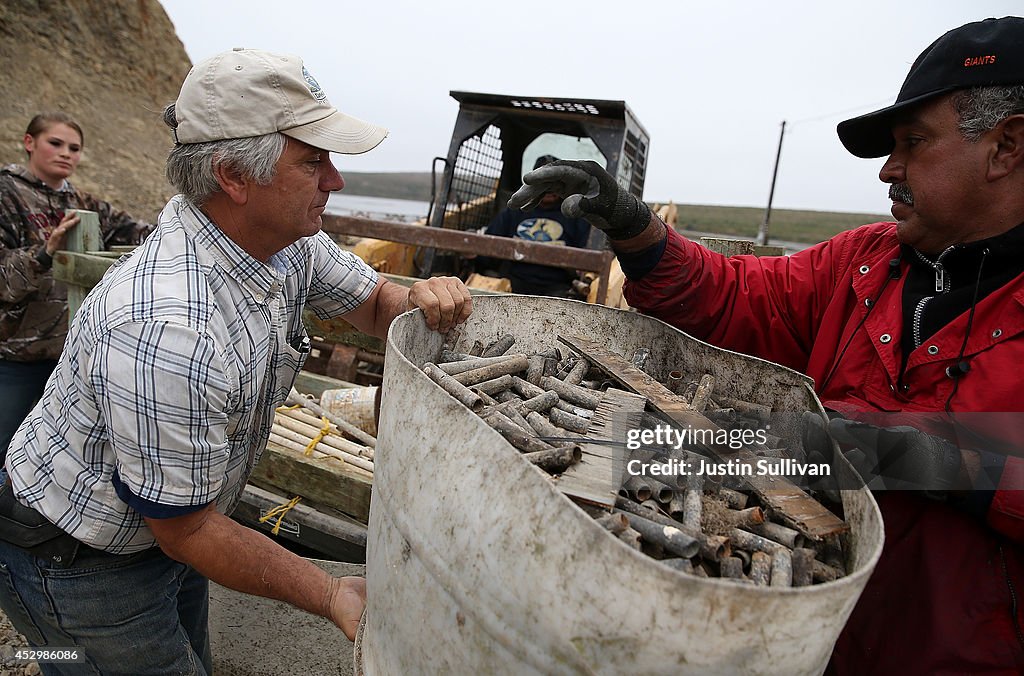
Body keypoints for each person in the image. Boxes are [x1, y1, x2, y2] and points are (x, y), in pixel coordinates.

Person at [510, 17, 1024, 674]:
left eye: (914, 143)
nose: (888, 170)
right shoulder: (863, 263)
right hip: (812, 638)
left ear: (1007, 146)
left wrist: (915, 455)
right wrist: (634, 228)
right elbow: (730, 294)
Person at [0, 48, 472, 674]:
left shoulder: (283, 245)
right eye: (312, 161)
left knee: (194, 655)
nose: (335, 181)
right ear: (233, 176)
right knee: (79, 657)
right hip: (78, 562)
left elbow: (376, 303)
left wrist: (420, 299)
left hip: (171, 524)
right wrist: (331, 593)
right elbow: (186, 531)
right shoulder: (168, 329)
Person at [0, 112, 152, 465]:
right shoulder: (7, 195)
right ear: (29, 143)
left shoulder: (85, 204)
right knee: (4, 445)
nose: (66, 153)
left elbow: (143, 232)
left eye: (74, 148)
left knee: (50, 454)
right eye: (55, 143)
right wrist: (44, 253)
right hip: (14, 356)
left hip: (69, 356)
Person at [481, 154, 591, 296]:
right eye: (543, 183)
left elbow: (587, 255)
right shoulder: (514, 211)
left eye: (554, 183)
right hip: (513, 284)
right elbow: (489, 247)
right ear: (532, 184)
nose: (549, 189)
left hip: (558, 289)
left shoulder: (575, 215)